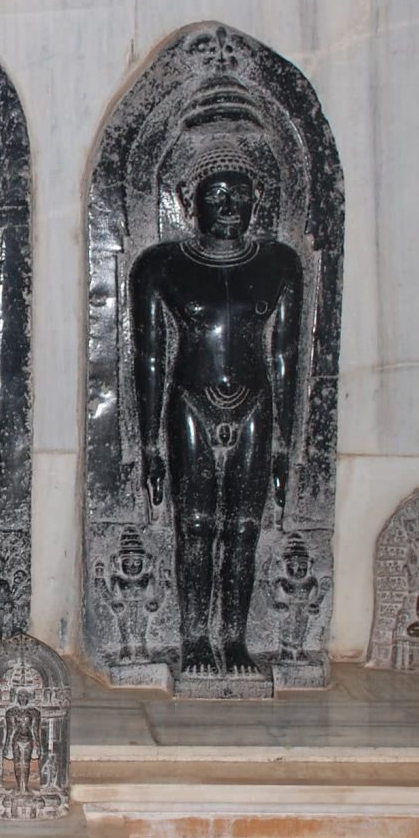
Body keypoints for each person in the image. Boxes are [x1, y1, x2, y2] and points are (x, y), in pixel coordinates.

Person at [130, 140, 302, 674]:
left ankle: (234, 638)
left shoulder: (279, 264)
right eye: (217, 194)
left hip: (255, 405)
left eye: (241, 195)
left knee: (244, 528)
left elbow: (285, 355)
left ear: (257, 201)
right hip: (190, 401)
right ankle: (195, 638)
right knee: (196, 525)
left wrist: (284, 442)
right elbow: (150, 357)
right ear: (191, 202)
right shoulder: (161, 266)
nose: (230, 206)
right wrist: (151, 444)